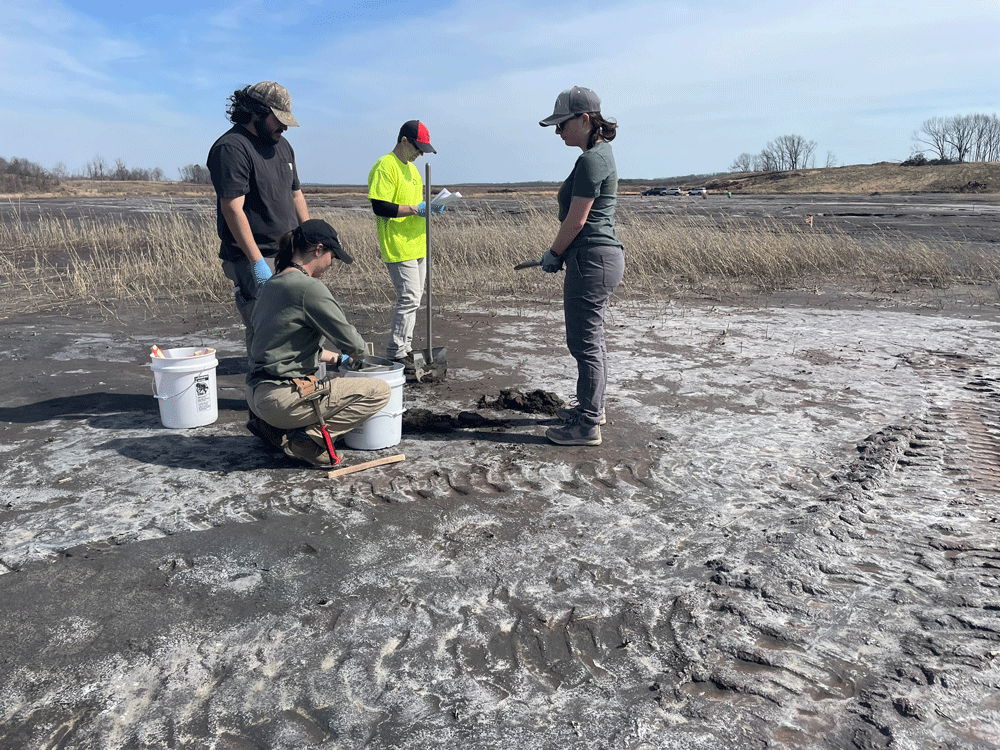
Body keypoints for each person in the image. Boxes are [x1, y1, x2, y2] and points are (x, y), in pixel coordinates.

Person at [246, 219, 391, 468]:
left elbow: (283, 345)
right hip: (282, 400)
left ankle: (271, 427)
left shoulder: (272, 283)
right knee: (379, 392)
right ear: (318, 250)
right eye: (331, 256)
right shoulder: (308, 288)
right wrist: (361, 360)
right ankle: (309, 440)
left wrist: (336, 359)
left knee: (318, 386)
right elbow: (356, 346)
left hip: (256, 394)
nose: (331, 264)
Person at [538, 86, 625, 446]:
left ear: (585, 119)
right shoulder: (599, 155)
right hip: (596, 258)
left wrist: (554, 253)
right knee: (592, 342)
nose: (558, 132)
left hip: (591, 258)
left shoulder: (592, 160)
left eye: (562, 124)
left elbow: (576, 220)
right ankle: (592, 408)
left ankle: (587, 425)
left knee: (584, 343)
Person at [207, 81, 310, 356]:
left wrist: (308, 237)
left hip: (289, 253)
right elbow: (233, 208)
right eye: (278, 119)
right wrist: (256, 264)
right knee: (267, 330)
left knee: (294, 326)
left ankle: (282, 389)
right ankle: (262, 392)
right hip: (255, 257)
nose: (284, 127)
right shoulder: (232, 148)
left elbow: (296, 194)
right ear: (256, 113)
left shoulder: (284, 146)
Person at [367, 120, 442, 373]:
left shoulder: (413, 171)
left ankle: (406, 349)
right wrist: (414, 209)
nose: (420, 154)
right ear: (404, 141)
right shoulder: (385, 166)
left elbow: (416, 206)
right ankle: (396, 352)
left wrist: (430, 209)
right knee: (408, 297)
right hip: (398, 245)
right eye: (418, 148)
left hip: (418, 244)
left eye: (423, 151)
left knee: (415, 300)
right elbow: (380, 207)